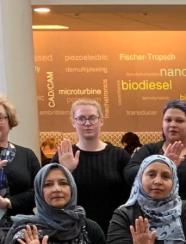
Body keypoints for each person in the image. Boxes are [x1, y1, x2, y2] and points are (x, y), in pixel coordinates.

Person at [123, 100, 186, 228]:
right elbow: (129, 175)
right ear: (162, 123)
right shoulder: (149, 150)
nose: (173, 125)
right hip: (152, 225)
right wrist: (161, 163)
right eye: (168, 120)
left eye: (179, 121)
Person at [52, 99, 131, 235]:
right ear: (73, 122)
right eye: (81, 118)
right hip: (74, 230)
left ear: (101, 121)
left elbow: (131, 195)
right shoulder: (64, 155)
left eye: (92, 118)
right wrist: (67, 171)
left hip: (114, 231)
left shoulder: (119, 156)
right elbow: (53, 197)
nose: (87, 123)